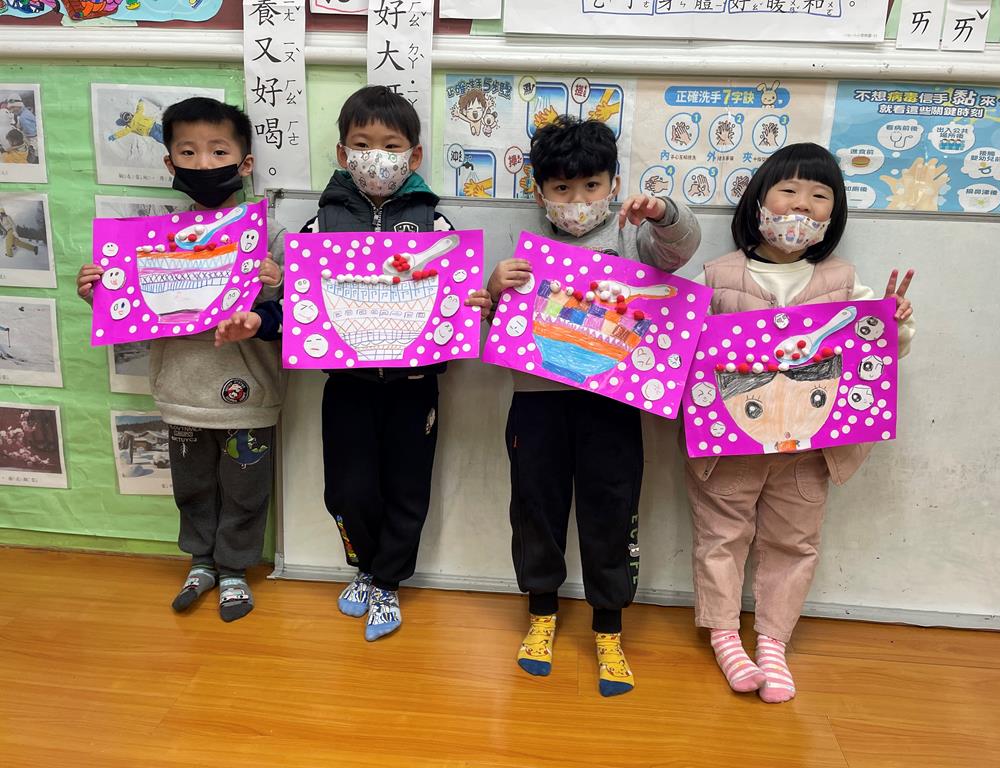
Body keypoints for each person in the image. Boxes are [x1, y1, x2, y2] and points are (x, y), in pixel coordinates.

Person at [216, 85, 492, 641]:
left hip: (414, 385)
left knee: (408, 486)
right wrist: (260, 322)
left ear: (414, 155)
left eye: (390, 145)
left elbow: (455, 302)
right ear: (343, 153)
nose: (376, 156)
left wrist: (473, 306)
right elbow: (297, 308)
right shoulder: (319, 226)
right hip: (347, 384)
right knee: (348, 489)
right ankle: (365, 567)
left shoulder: (436, 225)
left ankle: (388, 582)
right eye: (362, 145)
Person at [683, 142, 915, 703]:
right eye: (788, 190)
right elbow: (678, 348)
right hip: (732, 445)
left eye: (819, 196)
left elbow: (881, 352)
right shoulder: (716, 275)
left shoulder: (843, 280)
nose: (802, 206)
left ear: (834, 213)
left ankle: (773, 641)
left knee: (795, 541)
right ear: (759, 201)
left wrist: (891, 321)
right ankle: (723, 634)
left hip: (808, 448)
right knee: (720, 536)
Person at [485, 116, 701, 696]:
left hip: (612, 405)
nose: (577, 201)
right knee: (535, 506)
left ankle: (609, 626)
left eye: (591, 185)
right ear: (540, 192)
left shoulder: (634, 238)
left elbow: (681, 248)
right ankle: (542, 613)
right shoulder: (526, 251)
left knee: (612, 508)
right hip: (537, 403)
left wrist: (662, 212)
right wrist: (494, 289)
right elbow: (496, 328)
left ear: (613, 184)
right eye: (561, 188)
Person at [76, 97, 287, 622]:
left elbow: (301, 317)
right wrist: (101, 292)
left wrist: (276, 284)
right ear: (169, 164)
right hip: (180, 391)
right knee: (191, 486)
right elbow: (129, 308)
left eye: (218, 151)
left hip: (249, 395)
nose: (203, 163)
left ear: (245, 163)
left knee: (246, 489)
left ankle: (234, 568)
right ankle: (201, 562)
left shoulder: (272, 238)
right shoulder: (153, 238)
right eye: (188, 153)